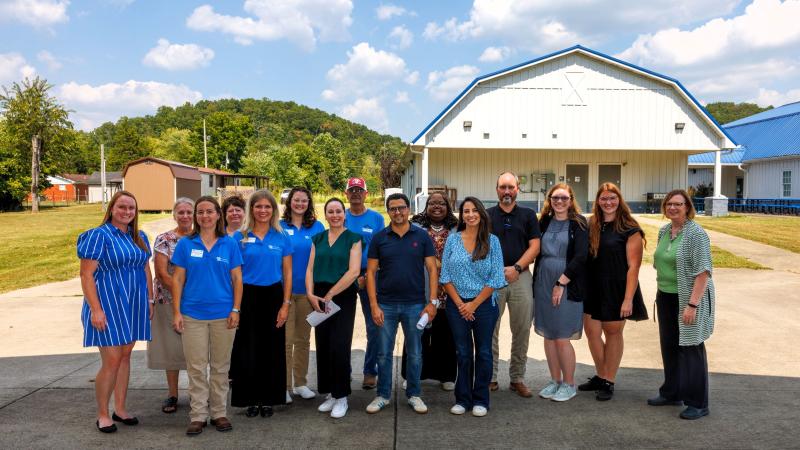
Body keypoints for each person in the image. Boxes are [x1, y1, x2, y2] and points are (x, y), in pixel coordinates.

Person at [78, 190, 153, 433]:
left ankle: (119, 409)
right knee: (111, 360)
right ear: (112, 208)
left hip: (133, 303)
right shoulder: (98, 236)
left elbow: (145, 269)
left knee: (125, 357)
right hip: (108, 304)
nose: (127, 212)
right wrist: (95, 309)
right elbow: (86, 274)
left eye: (131, 208)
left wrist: (149, 299)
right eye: (122, 207)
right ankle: (102, 414)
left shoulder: (138, 236)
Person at [171, 196, 243, 435]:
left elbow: (237, 279)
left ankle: (219, 413)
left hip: (224, 314)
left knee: (221, 367)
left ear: (217, 215)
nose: (204, 216)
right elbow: (178, 279)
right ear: (195, 216)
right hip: (192, 315)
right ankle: (198, 415)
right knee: (197, 368)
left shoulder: (229, 243)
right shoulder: (185, 244)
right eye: (200, 212)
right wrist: (177, 312)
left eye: (209, 211)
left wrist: (235, 309)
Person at [365, 193, 438, 414]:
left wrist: (432, 302)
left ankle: (414, 394)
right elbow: (370, 273)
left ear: (409, 209)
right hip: (385, 304)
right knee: (383, 353)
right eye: (393, 209)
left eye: (402, 208)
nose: (398, 212)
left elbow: (432, 269)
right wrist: (374, 305)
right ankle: (383, 395)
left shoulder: (422, 236)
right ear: (388, 211)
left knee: (415, 353)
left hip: (415, 305)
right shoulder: (379, 238)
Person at [649, 189, 715, 420]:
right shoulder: (665, 230)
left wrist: (692, 305)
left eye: (678, 204)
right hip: (666, 296)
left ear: (687, 207)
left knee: (690, 348)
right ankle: (672, 392)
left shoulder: (696, 234)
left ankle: (698, 402)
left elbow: (703, 272)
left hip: (688, 299)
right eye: (669, 204)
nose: (673, 208)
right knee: (669, 346)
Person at [440, 197, 507, 417]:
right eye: (465, 211)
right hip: (456, 305)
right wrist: (461, 304)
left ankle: (481, 399)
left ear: (481, 214)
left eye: (474, 210)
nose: (470, 214)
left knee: (485, 353)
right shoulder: (453, 240)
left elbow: (497, 278)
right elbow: (445, 276)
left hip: (485, 305)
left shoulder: (492, 241)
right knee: (463, 353)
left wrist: (474, 304)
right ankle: (462, 399)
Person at [581, 183, 648, 401]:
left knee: (612, 333)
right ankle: (601, 375)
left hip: (617, 289)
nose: (608, 202)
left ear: (619, 200)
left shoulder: (630, 228)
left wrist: (628, 299)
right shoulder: (592, 224)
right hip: (593, 288)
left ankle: (609, 380)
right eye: (603, 198)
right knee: (592, 333)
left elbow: (634, 267)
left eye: (612, 198)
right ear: (597, 201)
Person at [230, 190, 293, 418]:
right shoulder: (239, 237)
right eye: (258, 207)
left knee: (272, 350)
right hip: (247, 296)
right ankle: (249, 399)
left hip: (274, 296)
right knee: (247, 349)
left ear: (273, 210)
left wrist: (285, 304)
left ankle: (269, 399)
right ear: (251, 209)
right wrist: (234, 307)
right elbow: (234, 274)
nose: (263, 211)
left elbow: (287, 272)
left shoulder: (281, 236)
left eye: (267, 207)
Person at [306, 198, 363, 418]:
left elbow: (353, 271)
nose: (335, 215)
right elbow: (310, 269)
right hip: (319, 295)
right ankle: (330, 393)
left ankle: (342, 397)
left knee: (340, 344)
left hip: (342, 295)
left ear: (344, 213)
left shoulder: (354, 239)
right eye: (330, 211)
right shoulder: (317, 238)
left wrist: (330, 294)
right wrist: (311, 294)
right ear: (326, 215)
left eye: (338, 211)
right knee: (324, 344)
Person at [487, 171, 541, 397]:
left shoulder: (528, 215)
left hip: (521, 277)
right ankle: (489, 377)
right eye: (503, 187)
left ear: (517, 189)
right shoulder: (487, 215)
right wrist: (498, 269)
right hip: (493, 278)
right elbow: (481, 246)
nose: (507, 191)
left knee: (521, 329)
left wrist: (516, 268)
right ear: (497, 189)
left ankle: (517, 378)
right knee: (490, 329)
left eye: (511, 187)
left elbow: (535, 246)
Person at [533, 183, 588, 402]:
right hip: (543, 280)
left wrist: (561, 283)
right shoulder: (544, 221)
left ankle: (569, 383)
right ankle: (555, 380)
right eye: (555, 198)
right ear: (550, 199)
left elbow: (581, 257)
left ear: (571, 200)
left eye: (564, 198)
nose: (559, 202)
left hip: (566, 281)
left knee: (562, 336)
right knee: (548, 334)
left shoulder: (578, 223)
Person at [401, 192, 459, 391]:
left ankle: (447, 376)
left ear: (448, 206)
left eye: (441, 203)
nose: (437, 206)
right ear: (426, 206)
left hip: (450, 289)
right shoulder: (415, 226)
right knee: (417, 332)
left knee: (446, 334)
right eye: (432, 203)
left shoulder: (457, 227)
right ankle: (413, 374)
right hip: (421, 287)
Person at [148, 197, 193, 414]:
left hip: (196, 304)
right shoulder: (165, 239)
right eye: (181, 212)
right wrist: (181, 294)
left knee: (197, 351)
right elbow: (162, 274)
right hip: (168, 301)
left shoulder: (201, 238)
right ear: (174, 215)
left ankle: (197, 394)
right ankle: (173, 394)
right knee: (171, 351)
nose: (185, 216)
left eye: (189, 212)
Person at [280, 187, 325, 403]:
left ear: (309, 203)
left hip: (308, 293)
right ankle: (285, 386)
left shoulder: (317, 227)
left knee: (304, 340)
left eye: (304, 200)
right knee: (286, 341)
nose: (300, 204)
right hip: (284, 294)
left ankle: (300, 383)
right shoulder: (279, 226)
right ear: (289, 202)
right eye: (296, 200)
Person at [343, 177, 385, 389]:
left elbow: (381, 249)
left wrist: (369, 274)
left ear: (366, 194)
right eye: (353, 190)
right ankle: (344, 372)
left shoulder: (376, 219)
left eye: (360, 190)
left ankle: (370, 371)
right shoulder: (342, 217)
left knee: (374, 326)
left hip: (370, 276)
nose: (356, 193)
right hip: (345, 278)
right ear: (346, 194)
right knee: (343, 327)